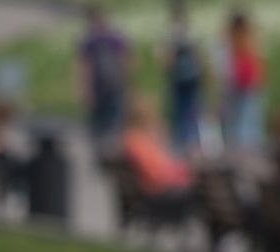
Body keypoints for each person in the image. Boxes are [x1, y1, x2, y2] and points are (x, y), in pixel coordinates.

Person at [77, 5, 131, 154]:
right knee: (105, 120)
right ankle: (106, 148)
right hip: (105, 86)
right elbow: (85, 66)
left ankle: (108, 148)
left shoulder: (98, 41)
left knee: (109, 120)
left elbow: (125, 60)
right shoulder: (102, 40)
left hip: (109, 85)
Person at [120, 98, 194, 200]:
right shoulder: (138, 142)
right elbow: (157, 175)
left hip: (161, 186)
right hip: (159, 192)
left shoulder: (138, 139)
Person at [158, 2, 206, 156]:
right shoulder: (192, 32)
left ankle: (181, 144)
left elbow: (167, 59)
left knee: (178, 111)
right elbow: (199, 58)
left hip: (178, 78)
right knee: (191, 110)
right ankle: (192, 143)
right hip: (192, 77)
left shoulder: (171, 33)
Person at [219, 8, 264, 153]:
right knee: (246, 123)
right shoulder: (248, 39)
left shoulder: (237, 40)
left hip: (242, 86)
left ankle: (242, 151)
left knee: (240, 124)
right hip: (244, 86)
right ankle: (245, 151)